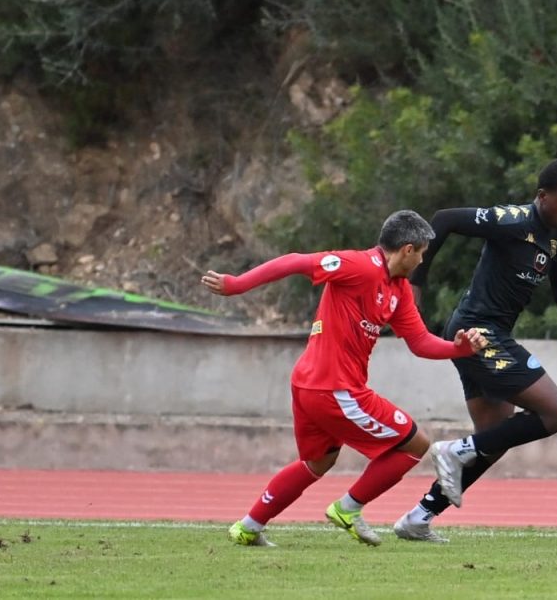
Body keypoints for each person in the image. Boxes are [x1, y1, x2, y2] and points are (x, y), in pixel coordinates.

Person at [202, 209, 489, 547]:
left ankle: (248, 527)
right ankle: (348, 508)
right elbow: (295, 261)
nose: (423, 260)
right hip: (334, 388)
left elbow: (420, 342)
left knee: (317, 462)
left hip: (311, 384)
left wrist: (459, 349)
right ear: (408, 249)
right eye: (423, 252)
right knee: (416, 445)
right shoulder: (359, 265)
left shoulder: (399, 290)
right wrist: (237, 285)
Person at [393, 159, 557, 543]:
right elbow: (444, 219)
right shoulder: (512, 220)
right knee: (556, 412)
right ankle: (454, 450)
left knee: (493, 439)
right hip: (476, 331)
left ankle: (418, 518)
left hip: (489, 334)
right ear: (542, 197)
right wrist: (417, 281)